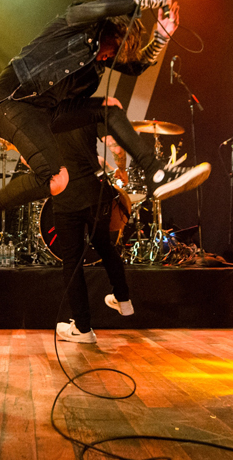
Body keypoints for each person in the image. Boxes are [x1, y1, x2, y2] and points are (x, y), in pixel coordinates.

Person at [0, 0, 211, 262]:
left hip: (48, 111)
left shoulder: (100, 56)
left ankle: (156, 173)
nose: (106, 58)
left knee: (110, 108)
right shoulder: (76, 22)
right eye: (109, 51)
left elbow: (135, 66)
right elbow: (105, 7)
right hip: (14, 102)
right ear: (106, 32)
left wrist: (161, 36)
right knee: (56, 179)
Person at [51, 123, 134, 344]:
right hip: (97, 193)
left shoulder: (45, 117)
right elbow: (117, 149)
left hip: (66, 197)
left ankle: (83, 329)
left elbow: (29, 159)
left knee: (72, 262)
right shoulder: (87, 112)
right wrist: (122, 168)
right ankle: (124, 299)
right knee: (105, 245)